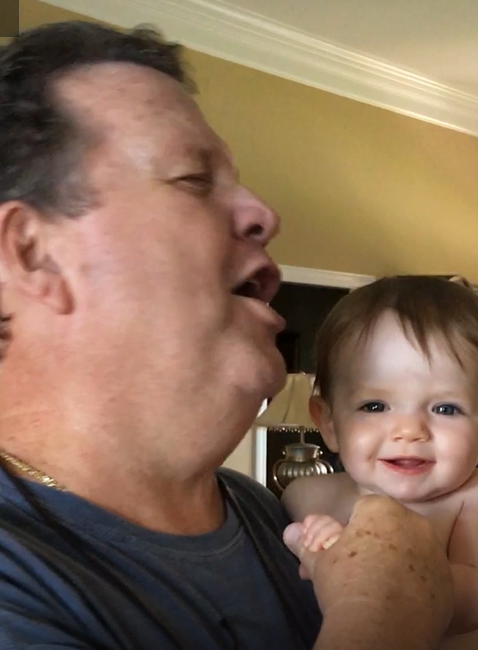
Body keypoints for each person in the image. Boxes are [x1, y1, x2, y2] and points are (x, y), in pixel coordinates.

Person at [0, 20, 453, 650]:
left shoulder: (274, 516)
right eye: (192, 179)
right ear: (32, 254)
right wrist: (382, 625)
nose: (265, 214)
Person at [282, 276, 478, 643]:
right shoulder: (306, 494)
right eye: (374, 406)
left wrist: (359, 567)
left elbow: (476, 606)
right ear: (327, 421)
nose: (409, 430)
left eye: (445, 408)